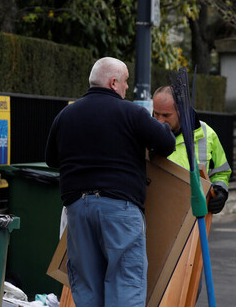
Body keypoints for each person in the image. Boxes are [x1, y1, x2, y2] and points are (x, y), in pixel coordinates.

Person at [45, 57, 176, 307]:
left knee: (86, 286)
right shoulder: (131, 112)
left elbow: (52, 159)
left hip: (77, 210)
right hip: (120, 208)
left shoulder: (66, 115)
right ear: (114, 82)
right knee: (125, 281)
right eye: (126, 81)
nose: (127, 88)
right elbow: (166, 143)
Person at [152, 86, 231, 214]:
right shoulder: (145, 133)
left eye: (166, 115)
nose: (160, 121)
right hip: (155, 213)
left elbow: (221, 172)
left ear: (181, 111)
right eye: (156, 113)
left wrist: (220, 192)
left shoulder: (207, 135)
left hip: (193, 217)